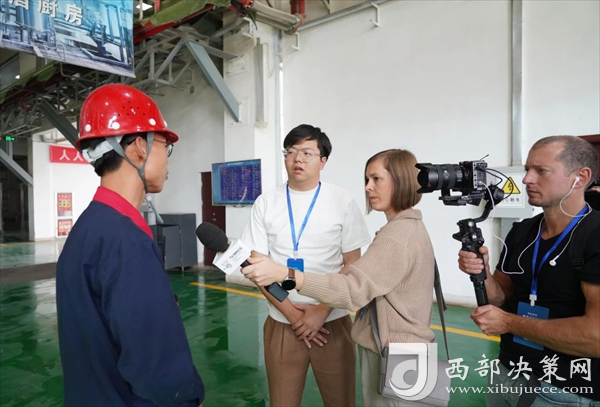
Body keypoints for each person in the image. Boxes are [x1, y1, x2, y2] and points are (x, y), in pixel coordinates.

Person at [242, 149, 436, 407]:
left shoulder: (396, 236)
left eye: (377, 179)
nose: (368, 187)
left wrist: (287, 275)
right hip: (409, 351)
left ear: (401, 181)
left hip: (398, 354)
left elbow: (352, 290)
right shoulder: (409, 227)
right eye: (367, 179)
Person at [56, 84, 205, 407]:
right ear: (139, 146)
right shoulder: (125, 241)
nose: (168, 160)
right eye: (165, 146)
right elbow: (157, 369)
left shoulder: (88, 228)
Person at [458, 136, 599, 406]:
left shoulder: (594, 235)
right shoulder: (523, 231)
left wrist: (509, 323)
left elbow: (595, 337)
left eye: (541, 171)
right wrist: (482, 271)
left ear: (580, 177)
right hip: (509, 372)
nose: (526, 180)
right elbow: (501, 298)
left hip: (565, 390)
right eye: (527, 170)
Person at [239, 124, 371, 407]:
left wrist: (322, 311)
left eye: (307, 152)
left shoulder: (342, 201)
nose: (298, 158)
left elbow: (352, 263)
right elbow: (258, 268)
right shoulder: (266, 203)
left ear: (323, 161)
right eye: (291, 151)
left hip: (332, 322)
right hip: (282, 322)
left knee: (341, 401)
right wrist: (293, 315)